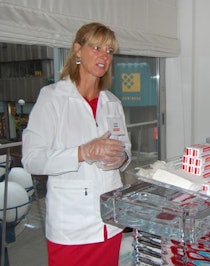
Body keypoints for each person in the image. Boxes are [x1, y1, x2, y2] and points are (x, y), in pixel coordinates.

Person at [22, 22, 131, 266]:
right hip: (72, 228)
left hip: (109, 224)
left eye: (110, 51)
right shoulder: (52, 98)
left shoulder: (112, 102)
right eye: (97, 47)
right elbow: (31, 160)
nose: (104, 56)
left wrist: (121, 159)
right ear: (78, 50)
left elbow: (126, 151)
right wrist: (83, 152)